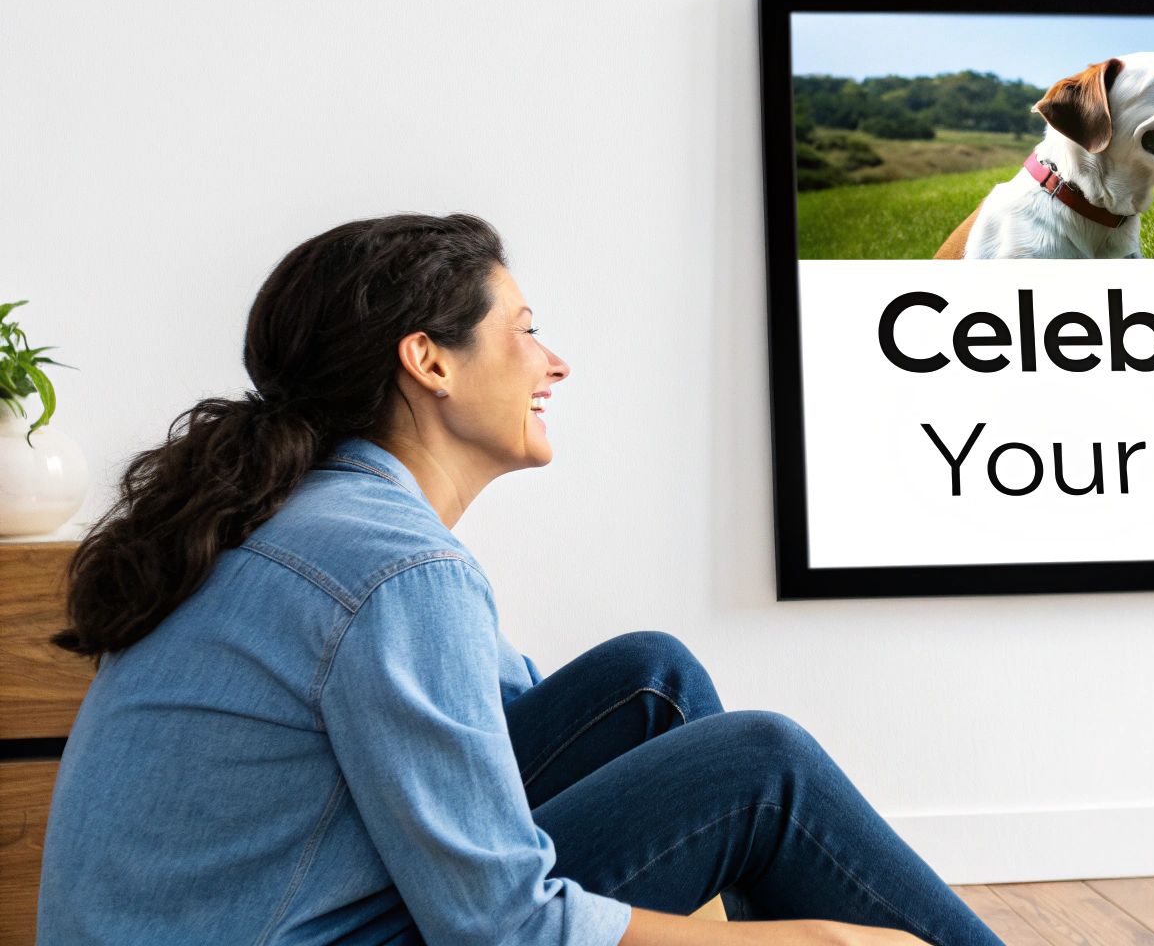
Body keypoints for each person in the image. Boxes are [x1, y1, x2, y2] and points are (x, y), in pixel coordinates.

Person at [36, 213, 1007, 946]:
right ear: (428, 361)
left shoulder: (323, 518)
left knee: (648, 681)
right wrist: (773, 939)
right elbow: (497, 924)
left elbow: (501, 757)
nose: (555, 362)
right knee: (761, 768)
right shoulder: (392, 565)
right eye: (526, 330)